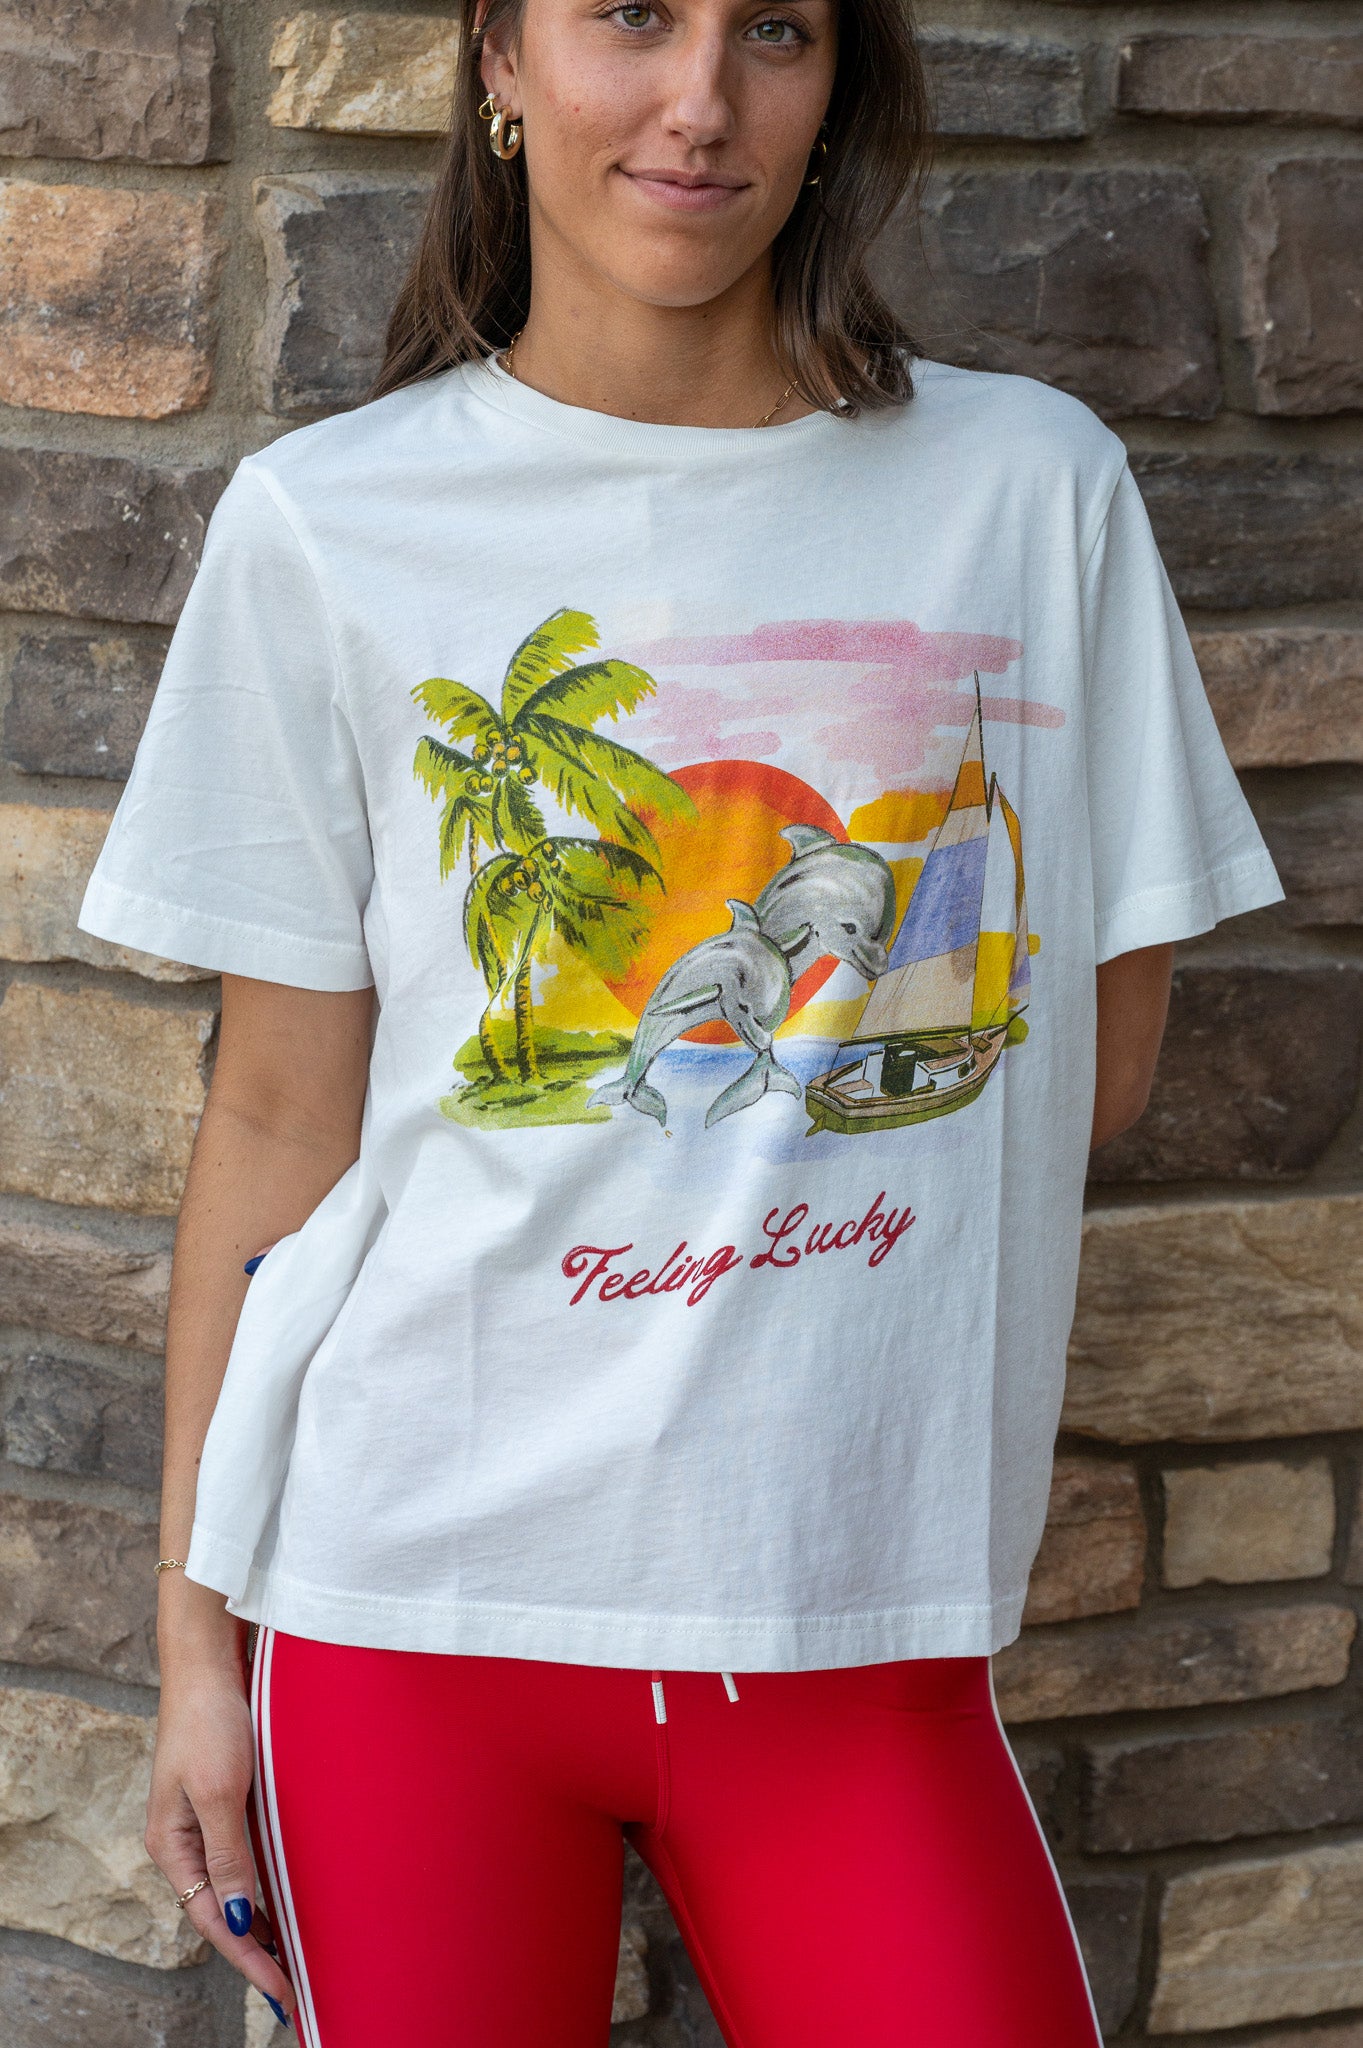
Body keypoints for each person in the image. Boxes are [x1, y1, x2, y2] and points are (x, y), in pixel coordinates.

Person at [78, 0, 1283, 2034]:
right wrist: (199, 1655)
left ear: (839, 84)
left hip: (851, 1624)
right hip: (404, 1620)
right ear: (500, 57)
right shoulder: (324, 523)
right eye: (632, 16)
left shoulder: (1028, 490)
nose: (701, 101)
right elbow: (278, 1126)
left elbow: (1092, 1068)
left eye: (774, 31)